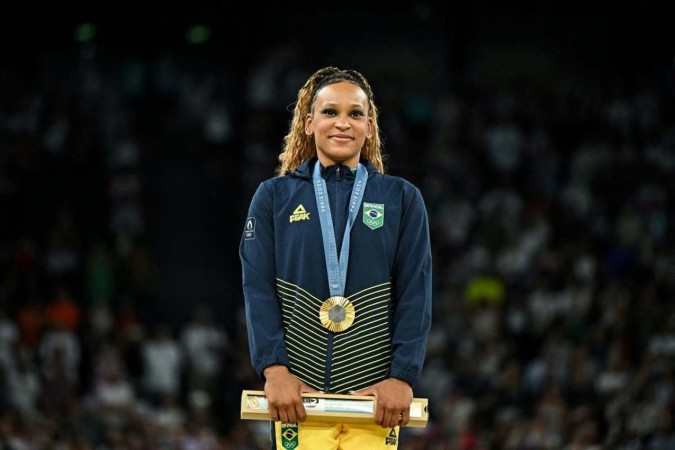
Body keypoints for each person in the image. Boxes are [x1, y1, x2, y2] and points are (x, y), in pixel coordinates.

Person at [239, 66, 432, 450]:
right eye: (330, 112)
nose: (342, 123)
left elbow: (416, 292)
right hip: (298, 393)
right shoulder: (273, 197)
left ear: (370, 127)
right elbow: (257, 287)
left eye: (355, 113)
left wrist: (402, 377)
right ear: (308, 123)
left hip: (374, 397)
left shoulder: (402, 199)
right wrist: (274, 370)